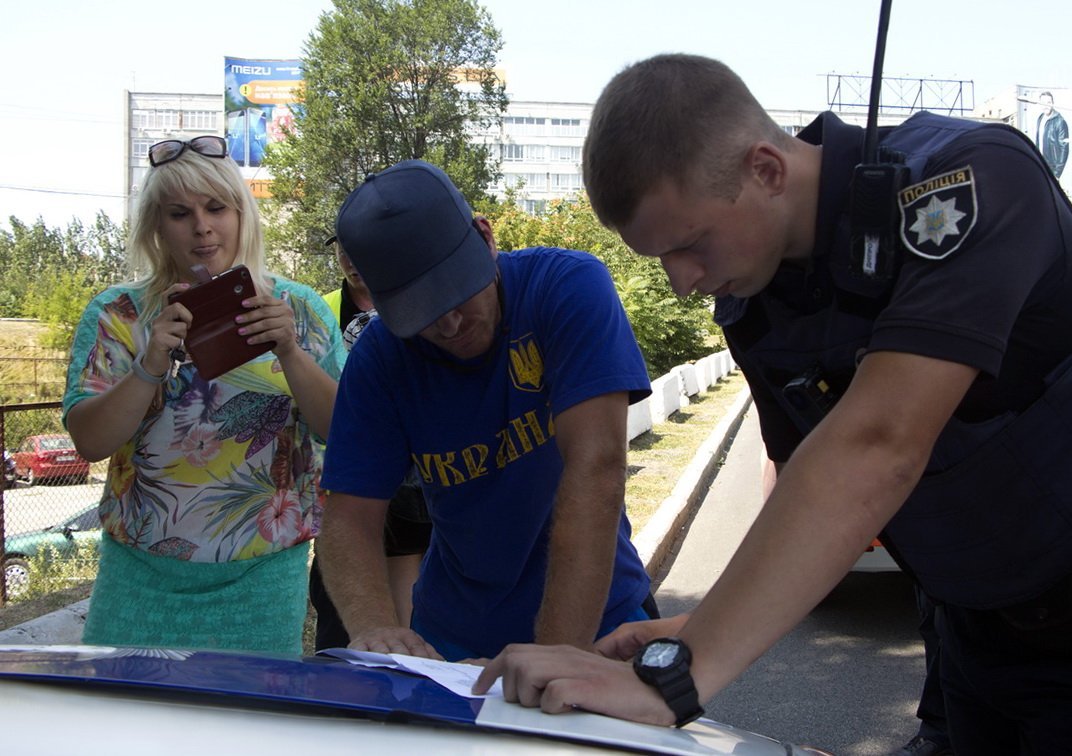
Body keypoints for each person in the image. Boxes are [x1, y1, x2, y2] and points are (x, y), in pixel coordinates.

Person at [476, 54, 1072, 753]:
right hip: (972, 633)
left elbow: (878, 444)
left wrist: (677, 678)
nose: (681, 283)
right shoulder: (757, 301)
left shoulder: (970, 181)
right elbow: (800, 486)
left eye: (689, 245)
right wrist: (702, 627)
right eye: (659, 259)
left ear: (766, 169)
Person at [316, 159, 657, 662]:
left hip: (601, 623)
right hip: (452, 637)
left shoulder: (566, 287)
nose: (450, 324)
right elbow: (348, 516)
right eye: (420, 312)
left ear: (485, 237)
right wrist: (375, 627)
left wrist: (553, 659)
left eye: (457, 291)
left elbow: (597, 468)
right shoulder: (380, 358)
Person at [63, 135, 345, 654]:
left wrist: (289, 351)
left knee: (246, 707)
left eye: (217, 207)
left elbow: (344, 432)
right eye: (179, 213)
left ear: (242, 214)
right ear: (155, 225)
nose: (202, 226)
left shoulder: (299, 310)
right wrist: (151, 363)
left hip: (261, 576)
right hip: (139, 572)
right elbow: (90, 441)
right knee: (127, 704)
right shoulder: (118, 313)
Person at [308, 235, 432, 649]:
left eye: (361, 247)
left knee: (413, 605)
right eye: (342, 249)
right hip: (350, 473)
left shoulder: (420, 299)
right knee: (343, 611)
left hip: (417, 476)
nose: (351, 259)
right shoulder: (320, 308)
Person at [1034, 91, 1069, 179]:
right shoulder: (1040, 118)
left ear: (1053, 104)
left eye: (1048, 102)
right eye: (1043, 103)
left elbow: (1064, 148)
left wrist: (1057, 174)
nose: (1046, 105)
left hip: (1052, 169)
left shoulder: (1060, 121)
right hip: (1040, 165)